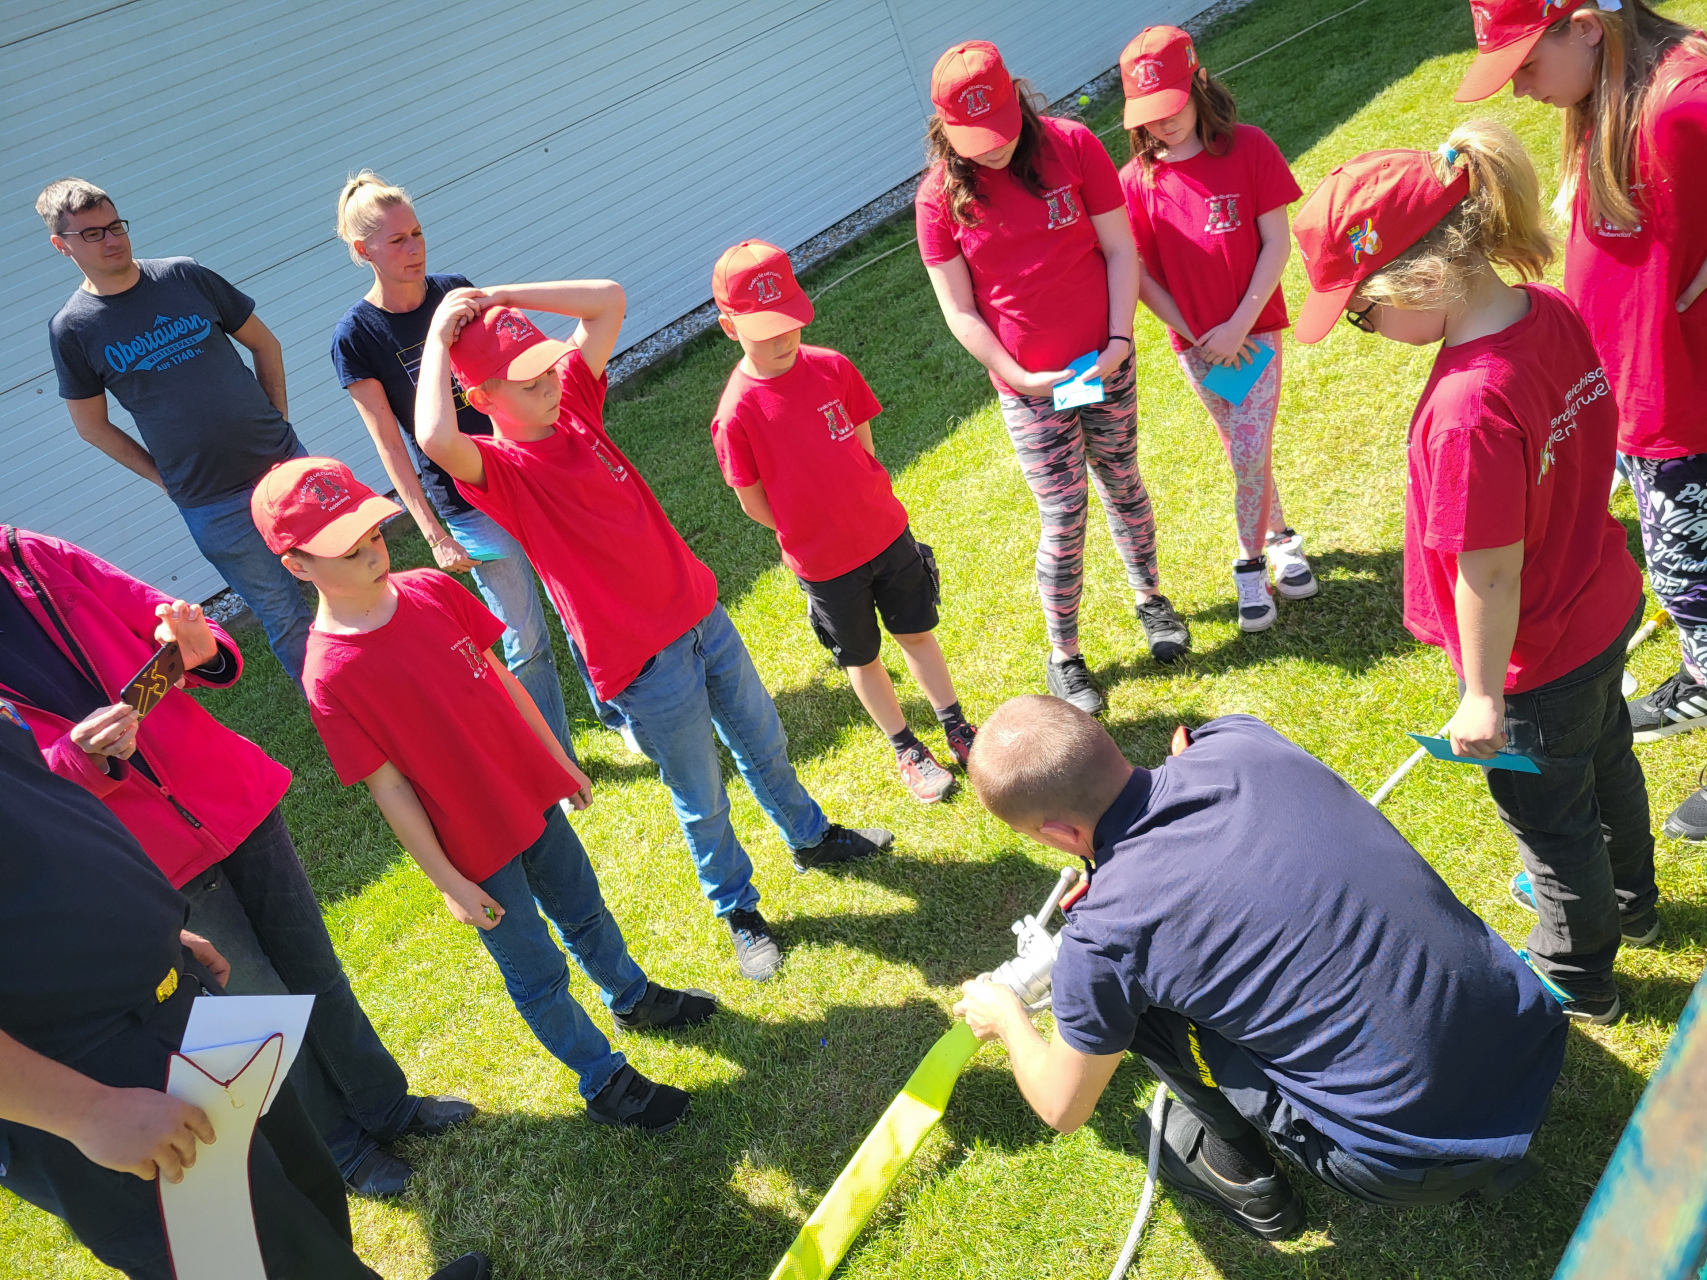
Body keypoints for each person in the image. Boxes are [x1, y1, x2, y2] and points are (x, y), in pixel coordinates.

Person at [413, 279, 895, 984]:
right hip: (640, 660)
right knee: (702, 793)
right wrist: (436, 336)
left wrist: (506, 293)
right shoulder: (502, 470)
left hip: (701, 615)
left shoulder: (575, 408)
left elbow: (608, 299)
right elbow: (432, 437)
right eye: (526, 382)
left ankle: (810, 837)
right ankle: (738, 909)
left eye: (547, 368)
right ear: (482, 399)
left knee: (763, 737)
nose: (548, 384)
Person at [955, 695, 1566, 1237]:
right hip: (1527, 1034)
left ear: (1059, 833)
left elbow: (1062, 1109)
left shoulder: (1102, 939)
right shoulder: (1238, 737)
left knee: (1134, 1013)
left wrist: (1006, 1017)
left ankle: (1243, 1176)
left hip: (1408, 1162)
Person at [1290, 124, 1657, 1021]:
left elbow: (1488, 573)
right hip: (1599, 604)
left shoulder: (1466, 409)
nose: (1366, 332)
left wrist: (1484, 696)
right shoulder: (1548, 309)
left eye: (1362, 314)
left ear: (1417, 281)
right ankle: (1631, 901)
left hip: (1533, 660)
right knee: (1605, 757)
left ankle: (1577, 974)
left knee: (1550, 819)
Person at [0, 525, 472, 1196]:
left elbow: (179, 631)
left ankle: (386, 1105)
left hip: (232, 799)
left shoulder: (30, 554)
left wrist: (198, 645)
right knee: (261, 1008)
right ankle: (340, 1148)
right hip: (146, 860)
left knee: (317, 971)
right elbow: (18, 794)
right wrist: (74, 759)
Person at [255, 456, 715, 1131]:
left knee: (584, 910)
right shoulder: (329, 675)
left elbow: (502, 681)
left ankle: (632, 995)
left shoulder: (430, 590)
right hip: (473, 848)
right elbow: (389, 788)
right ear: (297, 565)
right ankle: (604, 1079)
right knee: (536, 971)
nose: (374, 554)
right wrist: (448, 881)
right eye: (349, 551)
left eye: (374, 535)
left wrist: (557, 760)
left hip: (533, 800)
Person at [0, 695, 490, 1280]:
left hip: (168, 993)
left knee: (303, 1192)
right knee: (244, 1258)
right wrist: (85, 1112)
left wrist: (157, 930)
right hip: (80, 1071)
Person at [1454, 0, 1707, 822]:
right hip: (1640, 401)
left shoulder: (1681, 100)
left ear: (1587, 27)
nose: (1519, 89)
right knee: (1683, 582)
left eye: (1526, 63)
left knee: (1693, 583)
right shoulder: (1608, 96)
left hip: (1686, 410)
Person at [915, 40, 1190, 715]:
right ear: (945, 129)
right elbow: (959, 310)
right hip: (1030, 390)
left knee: (1123, 481)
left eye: (1001, 132)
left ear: (1018, 99)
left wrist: (1119, 340)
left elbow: (1119, 249)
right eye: (975, 141)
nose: (992, 150)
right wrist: (1014, 373)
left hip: (1104, 364)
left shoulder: (1071, 145)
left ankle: (1151, 598)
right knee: (1064, 515)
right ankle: (1065, 654)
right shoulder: (936, 199)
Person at [328, 171, 614, 757]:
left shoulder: (455, 291)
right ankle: (555, 758)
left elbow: (513, 367)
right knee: (524, 635)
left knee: (579, 601)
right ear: (363, 251)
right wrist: (433, 532)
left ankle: (617, 711)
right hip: (465, 498)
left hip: (526, 473)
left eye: (417, 233)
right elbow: (390, 443)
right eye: (396, 240)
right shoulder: (356, 336)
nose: (414, 249)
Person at [708, 239, 978, 802]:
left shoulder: (831, 366)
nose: (782, 338)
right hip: (825, 564)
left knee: (916, 632)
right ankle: (906, 746)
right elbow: (753, 502)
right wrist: (810, 526)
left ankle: (955, 724)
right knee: (863, 656)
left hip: (886, 534)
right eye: (764, 329)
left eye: (789, 321)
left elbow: (862, 446)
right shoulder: (736, 413)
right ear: (729, 327)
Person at [37, 177, 313, 683]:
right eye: (93, 233)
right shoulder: (73, 328)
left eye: (116, 226)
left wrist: (279, 422)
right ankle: (342, 715)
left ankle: (403, 686)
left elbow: (265, 344)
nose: (112, 239)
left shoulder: (184, 276)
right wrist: (163, 478)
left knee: (353, 574)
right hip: (213, 505)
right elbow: (91, 426)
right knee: (285, 616)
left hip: (286, 467)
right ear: (62, 245)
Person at [1116, 27, 1316, 632]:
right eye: (1149, 113)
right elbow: (1141, 275)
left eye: (1172, 104)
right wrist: (1202, 335)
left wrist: (1237, 326)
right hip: (1197, 347)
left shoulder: (1249, 148)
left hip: (1256, 333)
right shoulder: (1136, 182)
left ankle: (1250, 565)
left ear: (1198, 82)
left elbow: (1277, 243)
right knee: (1243, 451)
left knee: (1250, 451)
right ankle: (1282, 537)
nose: (1164, 122)